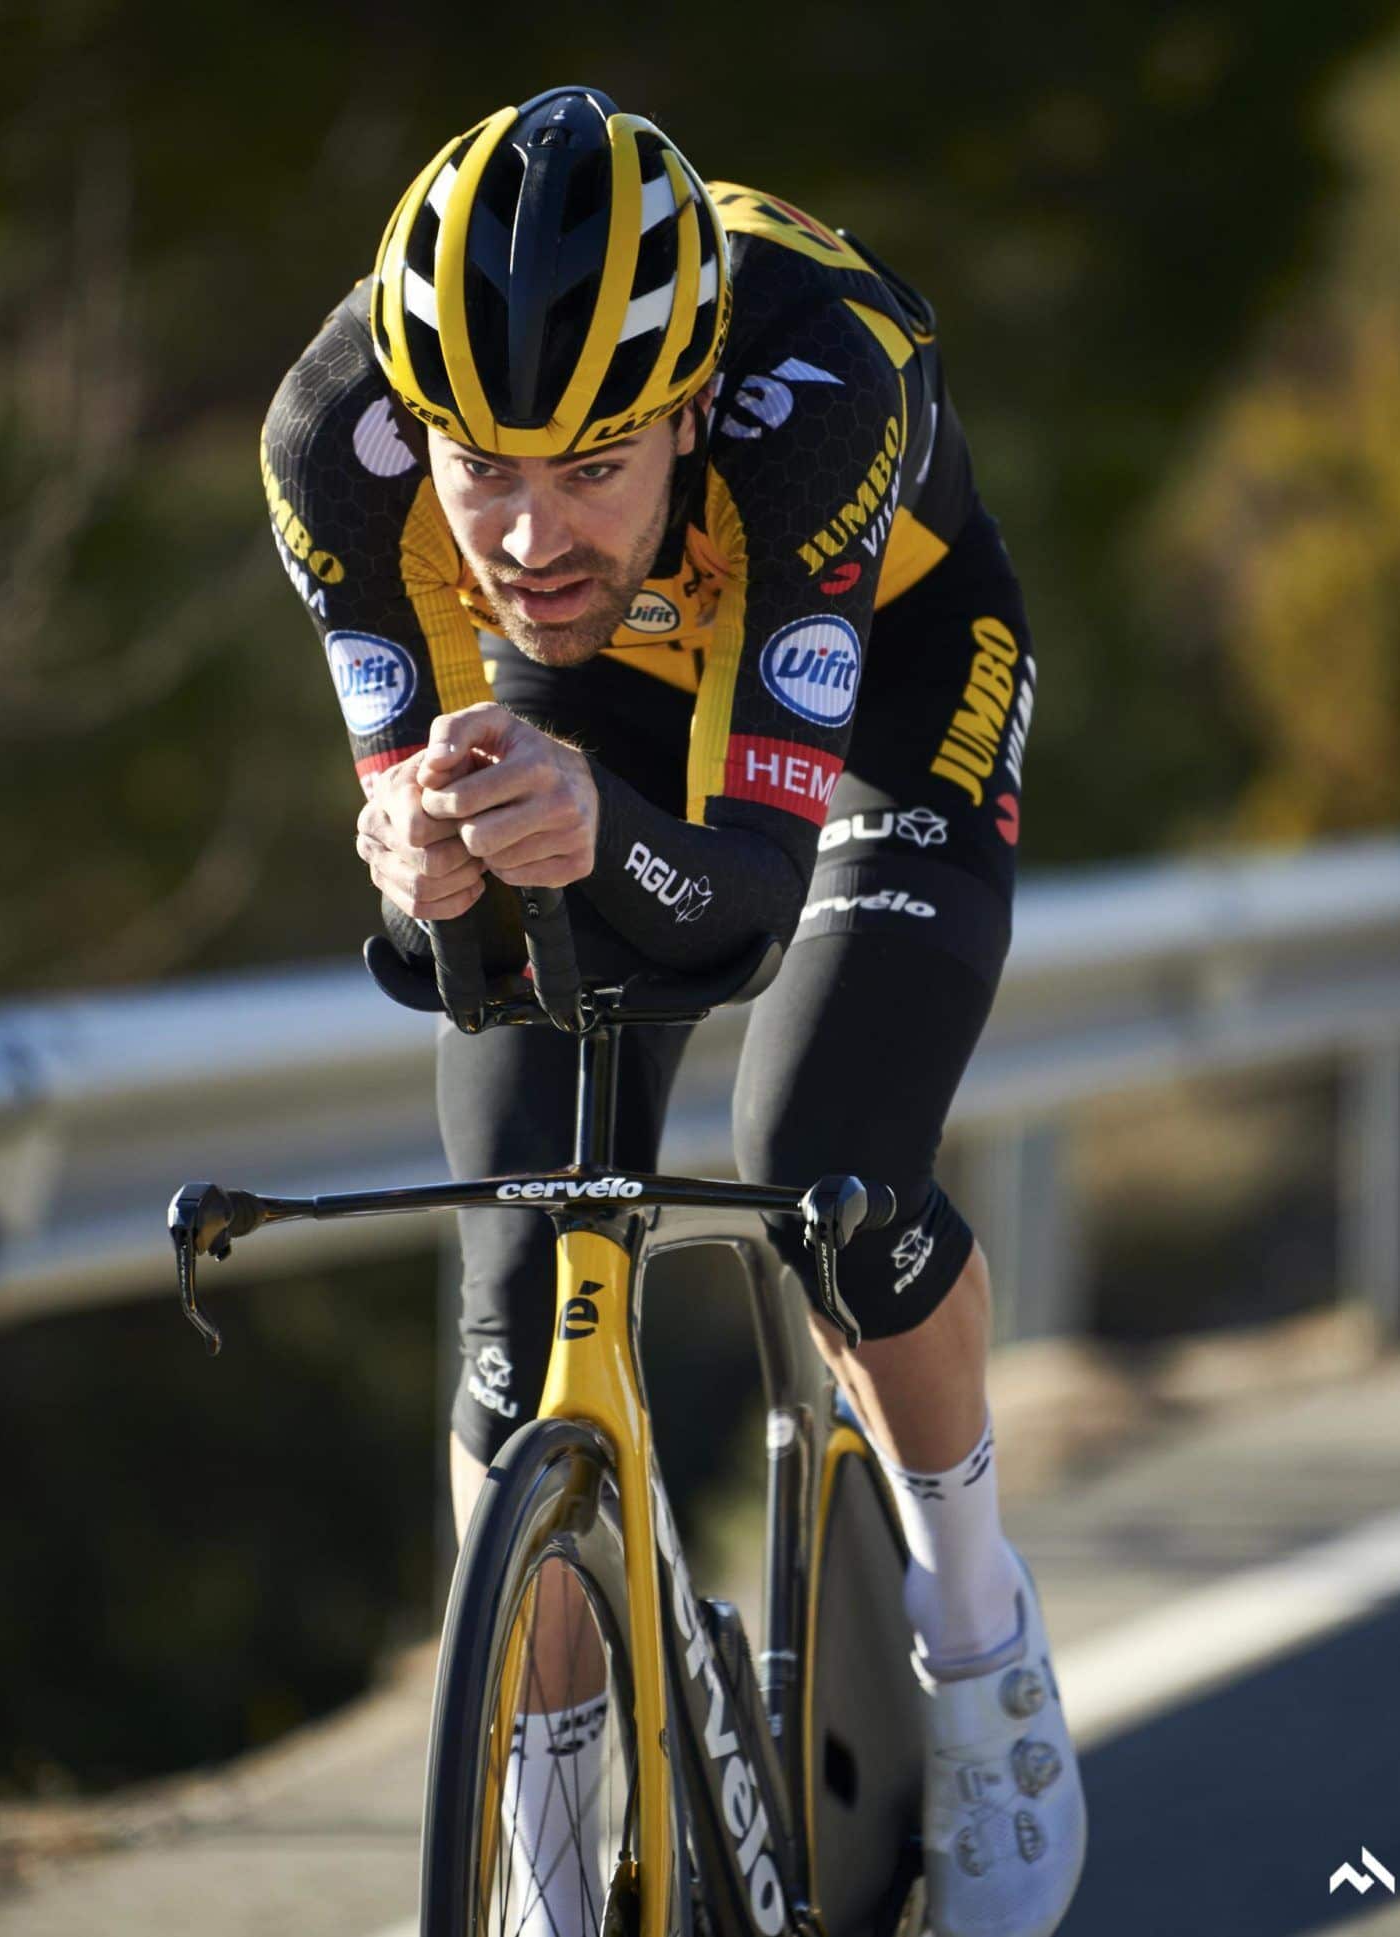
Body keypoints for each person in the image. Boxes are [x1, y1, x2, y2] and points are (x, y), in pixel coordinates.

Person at [260, 85, 1083, 1937]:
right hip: (598, 714)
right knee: (507, 1308)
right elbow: (437, 920)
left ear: (694, 410)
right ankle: (548, 1864)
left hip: (880, 685)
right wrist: (416, 853)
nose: (528, 533)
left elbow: (749, 905)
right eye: (483, 467)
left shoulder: (820, 397)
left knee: (822, 1166)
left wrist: (593, 838)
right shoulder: (333, 447)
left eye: (594, 465)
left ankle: (977, 1637)